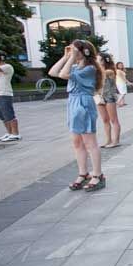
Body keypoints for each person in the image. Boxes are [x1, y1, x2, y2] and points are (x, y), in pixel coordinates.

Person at [48, 40, 105, 192]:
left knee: (89, 142)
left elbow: (63, 74)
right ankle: (83, 173)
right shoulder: (75, 65)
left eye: (75, 50)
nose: (73, 53)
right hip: (73, 102)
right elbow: (53, 72)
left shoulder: (90, 68)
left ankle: (98, 175)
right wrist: (66, 57)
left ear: (84, 51)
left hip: (83, 102)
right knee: (77, 142)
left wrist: (71, 57)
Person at [0, 51, 21, 142]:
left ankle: (16, 134)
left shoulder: (7, 67)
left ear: (2, 57)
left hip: (4, 94)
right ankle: (9, 133)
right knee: (3, 117)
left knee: (9, 115)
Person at [97, 54, 121, 148]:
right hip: (99, 97)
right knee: (105, 120)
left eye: (98, 59)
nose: (96, 60)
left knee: (113, 119)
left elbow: (103, 73)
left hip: (109, 96)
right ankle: (108, 140)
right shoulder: (96, 70)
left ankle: (116, 141)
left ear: (104, 61)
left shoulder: (110, 71)